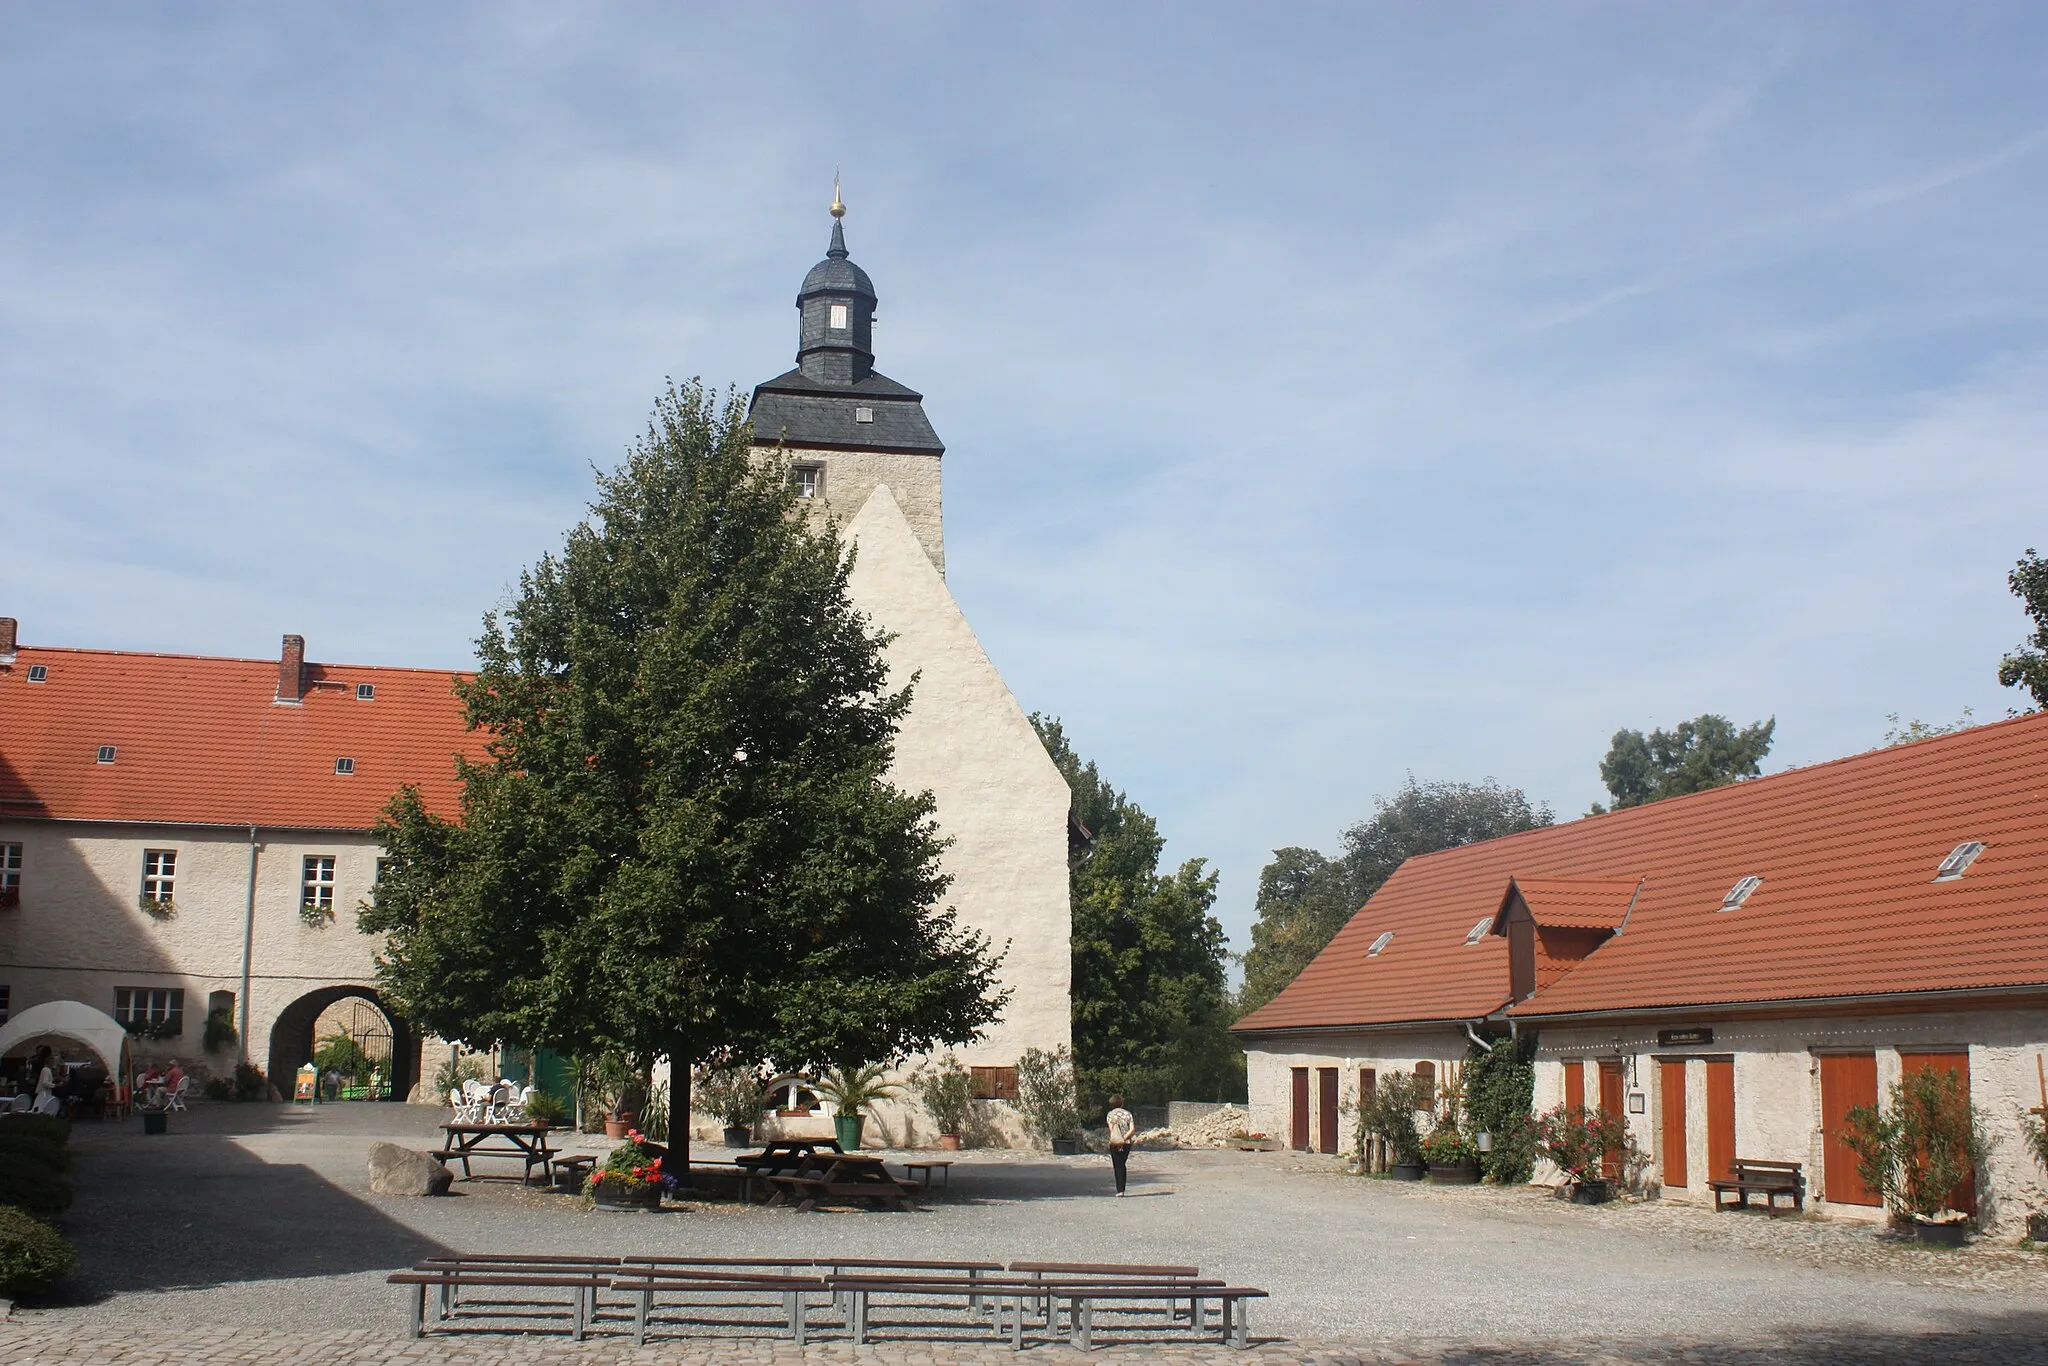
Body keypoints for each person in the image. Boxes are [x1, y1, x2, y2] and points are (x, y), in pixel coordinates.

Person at [1105, 1094, 1136, 1196]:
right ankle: (1122, 1188)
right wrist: (1124, 1139)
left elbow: (1111, 1129)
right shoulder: (1128, 1114)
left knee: (1117, 1165)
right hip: (1126, 1143)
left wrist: (1118, 1139)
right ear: (1121, 1103)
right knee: (1122, 1164)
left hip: (1114, 1142)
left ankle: (1120, 1189)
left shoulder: (1110, 1115)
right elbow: (1132, 1129)